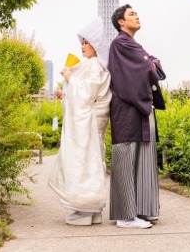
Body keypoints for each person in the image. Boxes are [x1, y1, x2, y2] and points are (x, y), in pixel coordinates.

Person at [48, 18, 112, 226]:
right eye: (82, 43)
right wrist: (66, 95)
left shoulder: (95, 66)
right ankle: (93, 210)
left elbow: (88, 93)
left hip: (89, 123)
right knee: (92, 162)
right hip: (93, 122)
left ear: (96, 44)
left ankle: (85, 210)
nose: (82, 46)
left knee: (84, 162)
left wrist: (70, 79)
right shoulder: (97, 65)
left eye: (86, 42)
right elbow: (86, 94)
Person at [107, 4, 163, 229]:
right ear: (121, 22)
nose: (137, 16)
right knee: (125, 158)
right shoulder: (120, 43)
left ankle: (140, 210)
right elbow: (147, 65)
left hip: (136, 108)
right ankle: (125, 216)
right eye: (131, 14)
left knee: (140, 161)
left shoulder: (131, 44)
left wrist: (150, 63)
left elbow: (150, 64)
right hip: (127, 111)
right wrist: (150, 63)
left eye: (137, 13)